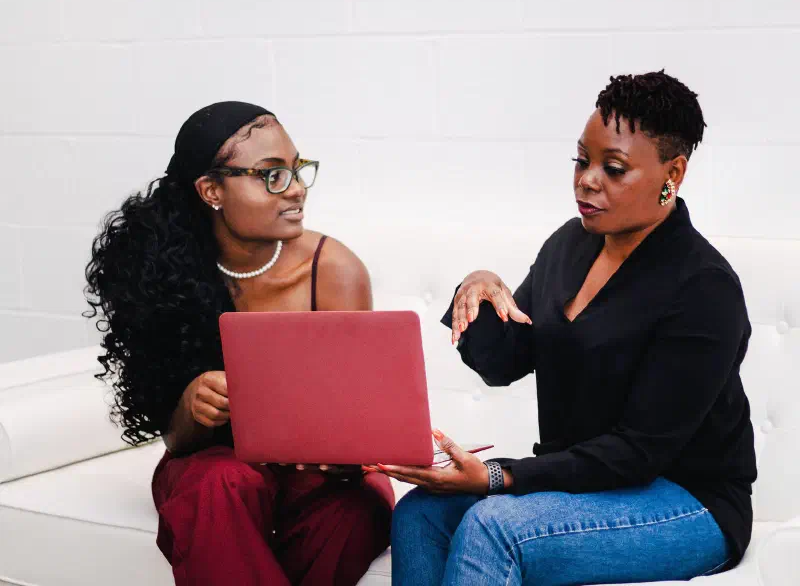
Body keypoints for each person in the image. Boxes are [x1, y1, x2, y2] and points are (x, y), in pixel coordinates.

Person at [375, 71, 757, 585]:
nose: (587, 179)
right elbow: (505, 362)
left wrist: (498, 476)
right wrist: (480, 288)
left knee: (496, 527)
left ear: (674, 173)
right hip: (584, 483)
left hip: (688, 501)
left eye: (614, 168)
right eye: (582, 159)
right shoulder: (569, 246)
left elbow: (639, 453)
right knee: (419, 513)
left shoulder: (703, 288)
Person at [85, 102, 393, 586]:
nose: (294, 189)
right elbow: (177, 441)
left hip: (321, 478)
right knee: (221, 484)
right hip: (216, 468)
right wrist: (192, 405)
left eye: (297, 170)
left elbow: (362, 423)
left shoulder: (333, 270)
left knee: (358, 511)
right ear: (211, 190)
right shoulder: (166, 275)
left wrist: (348, 454)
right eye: (270, 175)